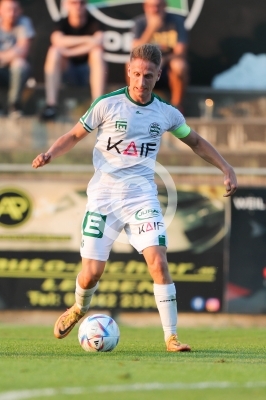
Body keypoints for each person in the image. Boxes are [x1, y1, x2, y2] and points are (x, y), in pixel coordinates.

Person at [32, 44, 237, 352]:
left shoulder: (166, 113)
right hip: (103, 198)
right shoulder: (107, 104)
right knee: (90, 275)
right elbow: (74, 135)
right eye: (137, 74)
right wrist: (50, 153)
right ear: (129, 71)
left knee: (158, 262)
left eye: (149, 76)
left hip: (141, 198)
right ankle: (78, 308)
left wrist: (226, 166)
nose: (142, 82)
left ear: (158, 76)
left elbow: (195, 141)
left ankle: (171, 337)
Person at [41, 0, 106, 120]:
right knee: (54, 52)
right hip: (67, 73)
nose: (77, 6)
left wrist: (68, 51)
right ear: (66, 5)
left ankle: (97, 107)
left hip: (87, 73)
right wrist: (88, 39)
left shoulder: (94, 23)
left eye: (81, 3)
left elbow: (99, 42)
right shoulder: (61, 23)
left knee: (97, 53)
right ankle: (51, 105)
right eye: (73, 3)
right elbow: (57, 41)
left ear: (85, 4)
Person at [131, 0, 188, 110]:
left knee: (179, 65)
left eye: (158, 6)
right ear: (145, 7)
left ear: (165, 6)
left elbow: (180, 51)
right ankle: (136, 103)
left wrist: (162, 60)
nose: (155, 10)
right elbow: (135, 51)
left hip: (168, 66)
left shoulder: (176, 21)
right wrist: (152, 28)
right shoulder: (140, 22)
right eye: (151, 6)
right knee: (131, 64)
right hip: (147, 66)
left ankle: (176, 106)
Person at [0, 0, 35, 117]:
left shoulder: (24, 22)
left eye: (15, 10)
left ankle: (14, 105)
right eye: (8, 10)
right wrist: (13, 53)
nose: (12, 13)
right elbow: (18, 50)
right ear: (1, 10)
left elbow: (23, 51)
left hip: (17, 74)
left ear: (20, 11)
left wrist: (3, 57)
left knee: (19, 63)